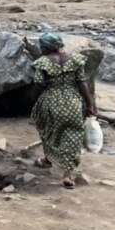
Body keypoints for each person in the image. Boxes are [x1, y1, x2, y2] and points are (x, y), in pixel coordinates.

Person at [31, 33, 95, 189]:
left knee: (49, 131)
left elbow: (38, 81)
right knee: (73, 135)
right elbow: (82, 84)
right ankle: (67, 175)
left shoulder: (43, 62)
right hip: (73, 101)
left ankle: (47, 160)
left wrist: (49, 87)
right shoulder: (74, 59)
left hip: (51, 101)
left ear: (46, 48)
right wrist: (89, 105)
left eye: (42, 47)